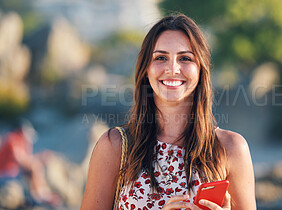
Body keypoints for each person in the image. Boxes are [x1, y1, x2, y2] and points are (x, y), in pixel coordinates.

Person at [81, 14, 256, 210]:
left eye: (185, 58)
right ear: (146, 68)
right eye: (161, 57)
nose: (173, 68)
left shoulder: (231, 148)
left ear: (201, 69)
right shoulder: (115, 146)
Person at [0, 122, 60, 206]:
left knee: (35, 166)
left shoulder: (18, 141)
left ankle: (41, 193)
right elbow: (20, 160)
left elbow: (24, 159)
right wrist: (38, 159)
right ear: (21, 131)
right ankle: (40, 195)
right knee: (34, 167)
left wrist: (39, 157)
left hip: (11, 173)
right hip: (5, 174)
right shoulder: (13, 138)